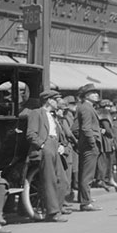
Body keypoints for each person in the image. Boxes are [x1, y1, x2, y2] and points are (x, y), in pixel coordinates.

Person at [24, 88, 71, 223]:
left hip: (55, 146)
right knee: (50, 180)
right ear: (49, 101)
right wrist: (43, 146)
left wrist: (61, 145)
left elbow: (59, 134)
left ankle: (57, 208)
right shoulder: (36, 113)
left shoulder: (53, 116)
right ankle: (53, 212)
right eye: (56, 100)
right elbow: (31, 134)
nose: (58, 103)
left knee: (63, 181)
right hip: (45, 147)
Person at [75, 84, 103, 212]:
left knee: (85, 174)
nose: (96, 95)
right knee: (87, 176)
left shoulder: (85, 107)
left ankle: (84, 199)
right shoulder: (86, 108)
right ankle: (86, 202)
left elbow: (77, 128)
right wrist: (92, 143)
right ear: (86, 95)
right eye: (93, 93)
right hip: (89, 145)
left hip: (86, 144)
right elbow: (86, 128)